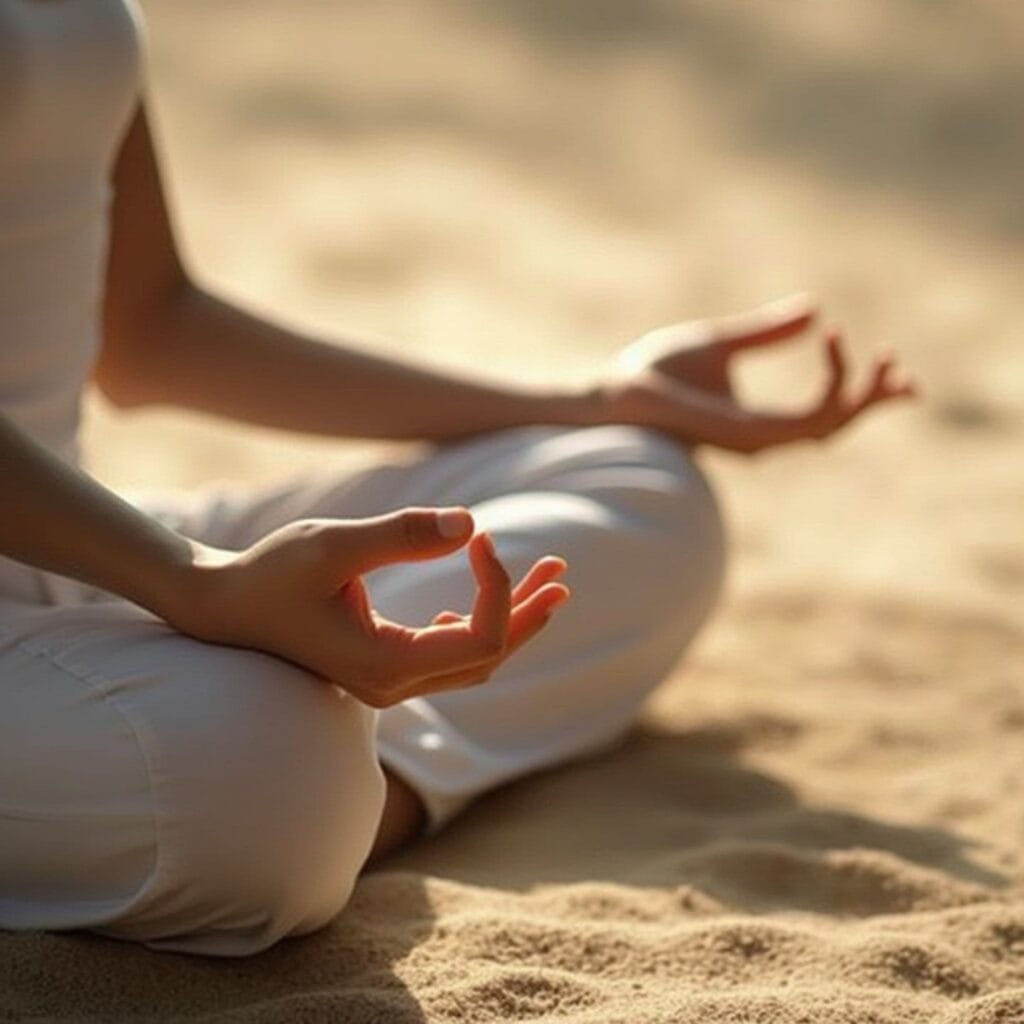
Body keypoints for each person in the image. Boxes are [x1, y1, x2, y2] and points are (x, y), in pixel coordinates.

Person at [0, 0, 915, 958]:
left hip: (83, 535)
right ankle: (335, 779)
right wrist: (192, 583)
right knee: (261, 772)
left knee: (641, 486)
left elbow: (152, 328)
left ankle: (346, 772)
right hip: (129, 571)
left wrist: (588, 403)